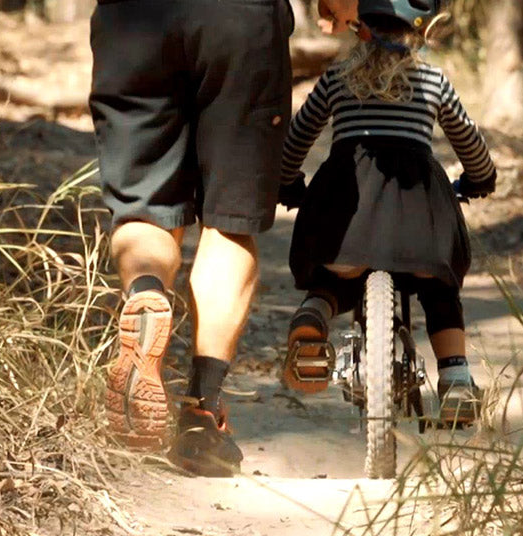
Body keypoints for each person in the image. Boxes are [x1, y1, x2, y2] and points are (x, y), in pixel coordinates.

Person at [89, 0, 356, 477]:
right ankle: (200, 414)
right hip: (240, 19)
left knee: (144, 210)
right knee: (228, 223)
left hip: (132, 21)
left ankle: (147, 293)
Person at [277, 0, 497, 423]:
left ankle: (313, 315)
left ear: (361, 29)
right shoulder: (433, 80)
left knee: (333, 273)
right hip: (419, 216)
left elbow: (297, 138)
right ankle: (455, 381)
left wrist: (288, 181)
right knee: (439, 289)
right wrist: (479, 179)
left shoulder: (336, 78)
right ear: (421, 33)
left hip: (347, 210)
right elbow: (469, 142)